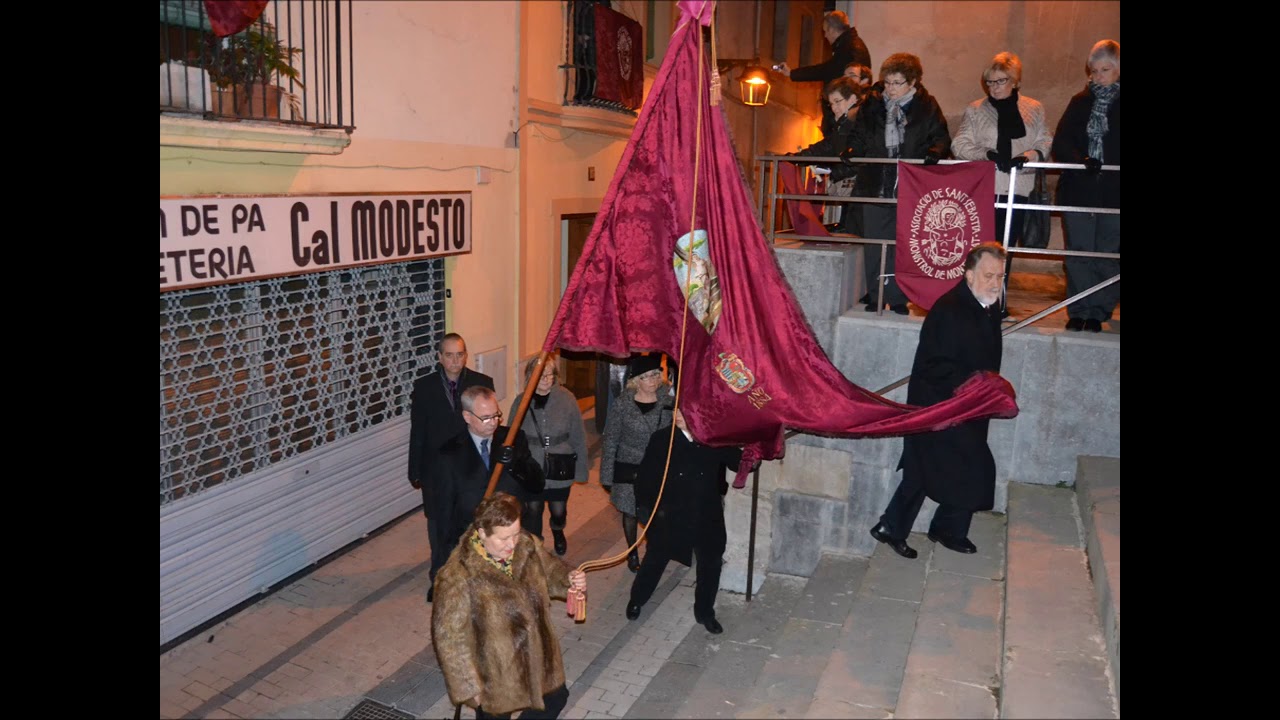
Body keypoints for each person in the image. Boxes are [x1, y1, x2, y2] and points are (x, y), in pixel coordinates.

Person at [869, 243, 1007, 559]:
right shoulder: (950, 309)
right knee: (953, 467)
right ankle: (919, 528)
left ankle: (923, 528)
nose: (994, 283)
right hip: (939, 404)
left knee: (939, 468)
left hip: (969, 405)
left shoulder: (988, 305)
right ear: (969, 274)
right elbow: (934, 366)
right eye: (988, 275)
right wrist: (974, 386)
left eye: (999, 276)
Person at [433, 492, 587, 719]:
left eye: (515, 534)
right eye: (503, 539)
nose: (512, 544)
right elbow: (449, 639)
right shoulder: (458, 576)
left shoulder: (526, 545)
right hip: (495, 673)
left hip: (537, 658)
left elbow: (550, 570)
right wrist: (469, 688)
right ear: (482, 533)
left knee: (556, 698)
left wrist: (569, 578)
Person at [844, 52, 952, 315]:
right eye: (888, 82)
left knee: (903, 244)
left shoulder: (927, 106)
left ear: (913, 82)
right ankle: (875, 295)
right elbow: (860, 135)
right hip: (876, 182)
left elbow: (940, 136)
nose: (890, 89)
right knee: (874, 244)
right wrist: (851, 150)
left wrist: (935, 152)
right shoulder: (872, 104)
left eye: (897, 83)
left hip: (911, 185)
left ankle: (900, 297)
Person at [950, 51, 1054, 318]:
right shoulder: (975, 109)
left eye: (1000, 81)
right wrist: (986, 154)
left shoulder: (1034, 108)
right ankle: (975, 303)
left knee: (1007, 248)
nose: (994, 88)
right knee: (982, 249)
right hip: (985, 188)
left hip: (1019, 187)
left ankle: (998, 302)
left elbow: (1044, 141)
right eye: (990, 82)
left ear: (1015, 81)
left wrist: (1028, 157)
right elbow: (959, 144)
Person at [625, 407, 742, 635]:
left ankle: (705, 612)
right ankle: (637, 599)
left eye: (684, 411)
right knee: (655, 559)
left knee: (711, 564)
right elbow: (647, 478)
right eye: (676, 410)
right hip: (671, 514)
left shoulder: (711, 437)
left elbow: (737, 462)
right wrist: (648, 511)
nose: (677, 415)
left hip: (705, 514)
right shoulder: (663, 440)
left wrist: (755, 452)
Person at [408, 333, 495, 601]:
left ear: (466, 355)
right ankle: (439, 578)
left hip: (470, 469)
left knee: (471, 524)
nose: (455, 360)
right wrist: (415, 470)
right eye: (449, 355)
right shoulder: (424, 387)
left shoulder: (482, 383)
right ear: (439, 357)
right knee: (438, 527)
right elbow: (418, 430)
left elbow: (490, 425)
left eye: (460, 354)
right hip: (436, 472)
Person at [434, 386, 545, 579]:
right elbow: (445, 509)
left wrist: (515, 464)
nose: (493, 423)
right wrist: (445, 561)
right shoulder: (449, 453)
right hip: (475, 538)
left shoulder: (513, 438)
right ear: (467, 417)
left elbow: (537, 484)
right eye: (485, 417)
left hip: (511, 537)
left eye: (496, 415)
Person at [1052, 39, 1120, 333]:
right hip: (1080, 188)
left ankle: (1099, 311)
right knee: (1079, 252)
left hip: (1114, 192)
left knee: (1106, 253)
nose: (1098, 76)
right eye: (1094, 70)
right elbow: (1062, 141)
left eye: (1105, 70)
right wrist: (1081, 159)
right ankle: (1079, 308)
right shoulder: (1080, 102)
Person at [508, 357, 589, 556]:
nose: (545, 378)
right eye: (541, 373)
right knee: (533, 509)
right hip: (532, 466)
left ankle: (558, 529)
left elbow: (579, 435)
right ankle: (536, 546)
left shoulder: (567, 398)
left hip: (560, 463)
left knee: (558, 510)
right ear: (530, 375)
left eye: (550, 373)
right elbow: (511, 434)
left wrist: (581, 471)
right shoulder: (522, 400)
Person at [600, 354, 673, 573]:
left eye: (655, 375)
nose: (652, 381)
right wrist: (606, 475)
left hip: (656, 467)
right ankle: (632, 552)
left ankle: (652, 550)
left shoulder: (668, 402)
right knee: (630, 512)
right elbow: (611, 439)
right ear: (635, 381)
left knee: (652, 512)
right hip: (627, 466)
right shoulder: (623, 404)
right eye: (646, 377)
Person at [776, 10, 872, 139]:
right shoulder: (850, 45)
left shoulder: (848, 48)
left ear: (832, 29)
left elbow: (826, 70)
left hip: (846, 121)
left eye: (825, 31)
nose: (825, 36)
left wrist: (792, 73)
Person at [792, 77, 865, 236]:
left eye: (838, 102)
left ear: (852, 98)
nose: (834, 108)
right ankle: (845, 223)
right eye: (831, 104)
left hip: (859, 178)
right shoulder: (846, 120)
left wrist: (841, 171)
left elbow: (838, 146)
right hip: (852, 175)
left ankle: (846, 224)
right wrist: (801, 156)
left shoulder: (858, 120)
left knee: (855, 206)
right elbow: (829, 145)